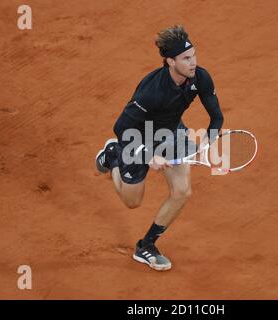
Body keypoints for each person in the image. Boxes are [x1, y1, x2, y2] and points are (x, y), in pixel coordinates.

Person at [95, 25, 223, 271]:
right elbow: (122, 127)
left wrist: (209, 140)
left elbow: (216, 117)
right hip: (137, 135)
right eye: (186, 58)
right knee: (132, 202)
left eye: (194, 55)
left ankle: (146, 246)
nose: (193, 62)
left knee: (182, 192)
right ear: (170, 62)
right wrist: (148, 155)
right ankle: (112, 157)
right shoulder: (151, 92)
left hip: (172, 131)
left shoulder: (200, 78)